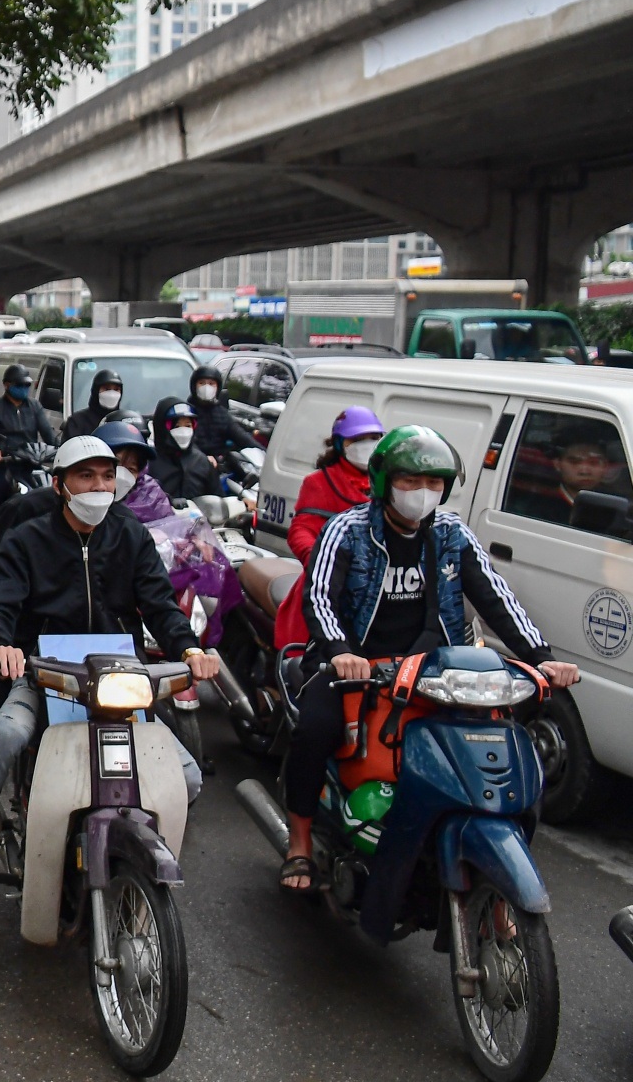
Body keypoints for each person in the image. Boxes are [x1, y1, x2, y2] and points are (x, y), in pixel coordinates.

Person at [281, 426, 579, 891]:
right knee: (315, 730)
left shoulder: (452, 533)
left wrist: (541, 656)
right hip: (357, 666)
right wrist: (341, 653)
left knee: (496, 738)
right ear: (382, 483)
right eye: (410, 482)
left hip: (435, 669)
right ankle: (299, 843)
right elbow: (319, 596)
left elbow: (497, 597)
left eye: (434, 484)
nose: (423, 494)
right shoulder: (347, 529)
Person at [0, 435, 217, 898]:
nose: (98, 487)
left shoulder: (130, 533)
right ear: (59, 484)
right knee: (1, 733)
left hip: (119, 673)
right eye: (85, 476)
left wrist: (189, 650)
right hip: (45, 669)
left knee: (185, 774)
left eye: (107, 476)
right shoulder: (28, 537)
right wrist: (0, 644)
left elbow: (159, 603)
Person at [271, 407, 383, 650]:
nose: (367, 445)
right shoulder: (319, 482)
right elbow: (300, 530)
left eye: (374, 439)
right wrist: (322, 562)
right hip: (328, 586)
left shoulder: (387, 481)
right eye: (358, 440)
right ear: (341, 444)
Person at [0, 363, 58, 548]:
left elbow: (47, 433)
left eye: (27, 385)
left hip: (31, 463)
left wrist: (58, 448)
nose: (23, 389)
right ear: (7, 385)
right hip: (5, 463)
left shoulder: (35, 406)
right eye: (19, 385)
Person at [146, 398, 219, 500]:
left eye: (188, 425)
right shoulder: (149, 462)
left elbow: (218, 499)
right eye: (177, 426)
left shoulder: (202, 462)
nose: (183, 431)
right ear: (162, 428)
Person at [185, 364, 252, 467]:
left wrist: (264, 453)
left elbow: (241, 436)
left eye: (211, 384)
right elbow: (186, 442)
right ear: (194, 386)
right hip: (193, 465)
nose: (206, 387)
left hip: (219, 466)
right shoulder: (187, 412)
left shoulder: (221, 413)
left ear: (218, 387)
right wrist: (202, 457)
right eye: (202, 383)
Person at [62, 367, 125, 439]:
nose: (112, 394)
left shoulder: (124, 421)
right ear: (96, 391)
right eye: (106, 389)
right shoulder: (77, 421)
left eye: (116, 389)